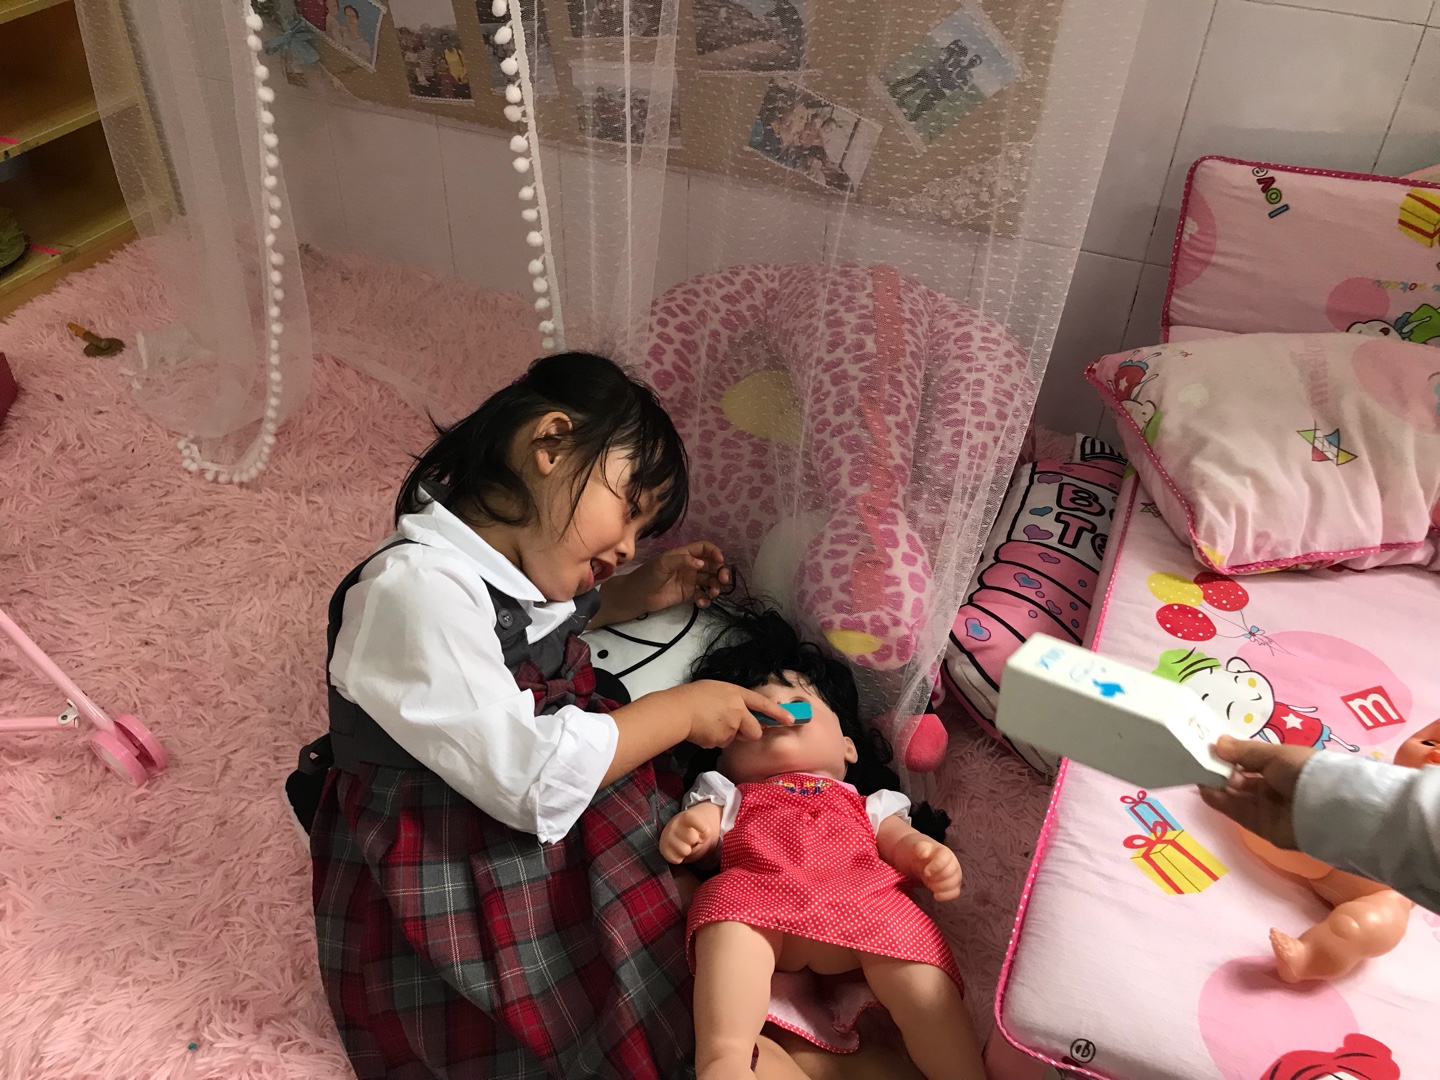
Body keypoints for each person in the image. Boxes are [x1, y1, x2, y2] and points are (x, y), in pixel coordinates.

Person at [288, 353, 927, 1080]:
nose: (626, 548)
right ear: (551, 442)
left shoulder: (488, 573)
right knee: (609, 1001)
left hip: (555, 807)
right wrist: (677, 712)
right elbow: (529, 780)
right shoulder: (411, 590)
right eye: (630, 512)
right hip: (459, 851)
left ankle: (769, 1030)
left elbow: (533, 624)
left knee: (684, 924)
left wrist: (638, 591)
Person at [663, 605, 983, 1080]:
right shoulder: (731, 795)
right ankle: (725, 1058)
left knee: (915, 954)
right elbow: (705, 832)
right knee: (725, 921)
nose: (776, 714)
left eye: (797, 704)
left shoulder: (868, 803)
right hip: (761, 901)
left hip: (863, 906)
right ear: (723, 758)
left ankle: (962, 1071)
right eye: (754, 714)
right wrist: (693, 832)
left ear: (848, 746)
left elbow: (899, 840)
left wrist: (924, 856)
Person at [1201, 723, 1440, 913]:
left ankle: (1315, 951)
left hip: (1388, 895)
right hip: (1346, 851)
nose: (1436, 754)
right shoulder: (1364, 774)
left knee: (1373, 922)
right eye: (1429, 743)